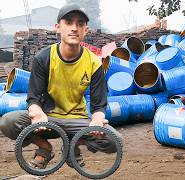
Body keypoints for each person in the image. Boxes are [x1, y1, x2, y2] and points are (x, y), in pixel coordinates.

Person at [0, 4, 118, 168]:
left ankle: (72, 144)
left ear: (86, 30)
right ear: (58, 28)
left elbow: (99, 104)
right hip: (48, 118)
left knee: (114, 139)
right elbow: (33, 97)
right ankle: (44, 147)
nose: (74, 28)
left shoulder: (94, 63)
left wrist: (97, 120)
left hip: (78, 120)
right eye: (68, 22)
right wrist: (37, 113)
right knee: (8, 122)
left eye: (80, 24)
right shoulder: (44, 58)